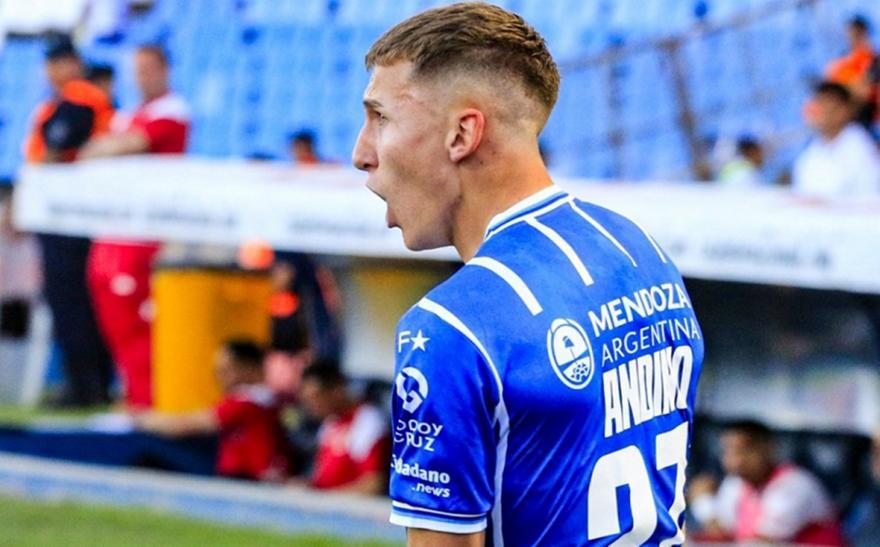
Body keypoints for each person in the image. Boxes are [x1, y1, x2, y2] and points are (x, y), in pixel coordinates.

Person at [351, 3, 704, 545]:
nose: (361, 153)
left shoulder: (452, 328)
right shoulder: (638, 249)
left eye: (380, 118)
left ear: (462, 134)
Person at [79, 45, 190, 409]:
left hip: (143, 231)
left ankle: (147, 400)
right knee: (114, 322)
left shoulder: (172, 110)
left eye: (148, 69)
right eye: (137, 69)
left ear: (165, 69)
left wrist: (102, 147)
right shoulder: (129, 114)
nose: (141, 77)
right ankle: (131, 395)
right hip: (114, 227)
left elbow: (125, 144)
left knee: (138, 323)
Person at [23, 34, 115, 407]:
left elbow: (56, 150)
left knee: (72, 302)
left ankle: (85, 387)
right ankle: (89, 383)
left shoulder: (79, 100)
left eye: (58, 62)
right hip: (69, 214)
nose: (51, 71)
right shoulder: (69, 101)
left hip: (68, 216)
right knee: (76, 302)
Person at [137, 340, 291, 482]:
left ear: (250, 368)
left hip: (246, 479)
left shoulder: (246, 402)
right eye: (217, 372)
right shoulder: (272, 401)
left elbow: (182, 425)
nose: (220, 378)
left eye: (226, 371)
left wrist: (137, 419)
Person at [688, 420, 844, 545]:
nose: (736, 460)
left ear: (768, 449)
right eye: (728, 451)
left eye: (745, 450)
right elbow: (723, 534)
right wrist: (702, 500)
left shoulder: (794, 485)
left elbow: (759, 543)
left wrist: (703, 503)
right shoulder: (735, 483)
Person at [296, 362, 388, 495]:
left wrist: (325, 497)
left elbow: (373, 484)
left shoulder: (367, 420)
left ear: (337, 390)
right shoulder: (330, 422)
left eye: (316, 398)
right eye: (307, 400)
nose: (311, 406)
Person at [793, 81, 880, 197]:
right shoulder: (814, 149)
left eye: (827, 105)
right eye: (819, 103)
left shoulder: (860, 148)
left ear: (844, 110)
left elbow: (869, 197)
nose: (821, 112)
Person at [826, 15, 877, 130]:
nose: (852, 37)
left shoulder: (873, 60)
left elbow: (865, 90)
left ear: (864, 33)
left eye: (856, 33)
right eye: (850, 33)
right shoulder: (840, 62)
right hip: (845, 115)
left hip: (865, 115)